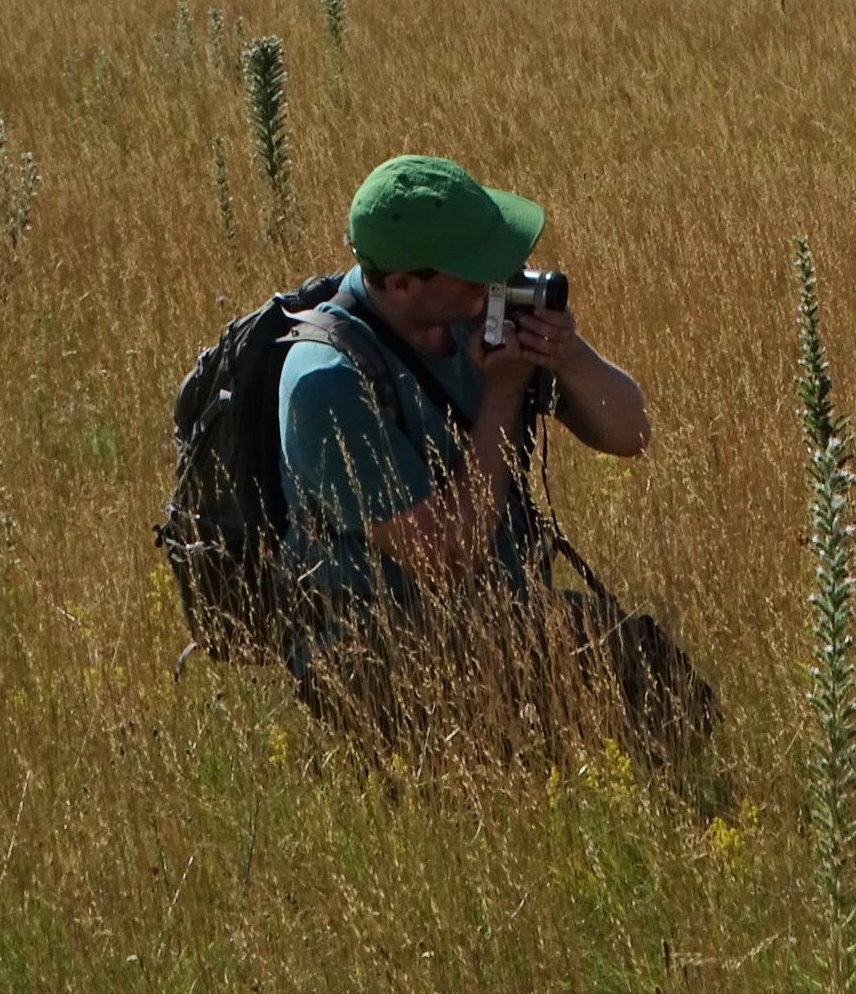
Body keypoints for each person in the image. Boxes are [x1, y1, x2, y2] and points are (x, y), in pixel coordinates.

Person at [277, 155, 696, 761]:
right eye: (472, 269)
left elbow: (630, 434)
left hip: (497, 612)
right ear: (400, 283)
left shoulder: (476, 315)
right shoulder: (328, 383)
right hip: (380, 644)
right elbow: (445, 555)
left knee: (663, 686)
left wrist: (568, 355)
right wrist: (503, 393)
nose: (496, 276)